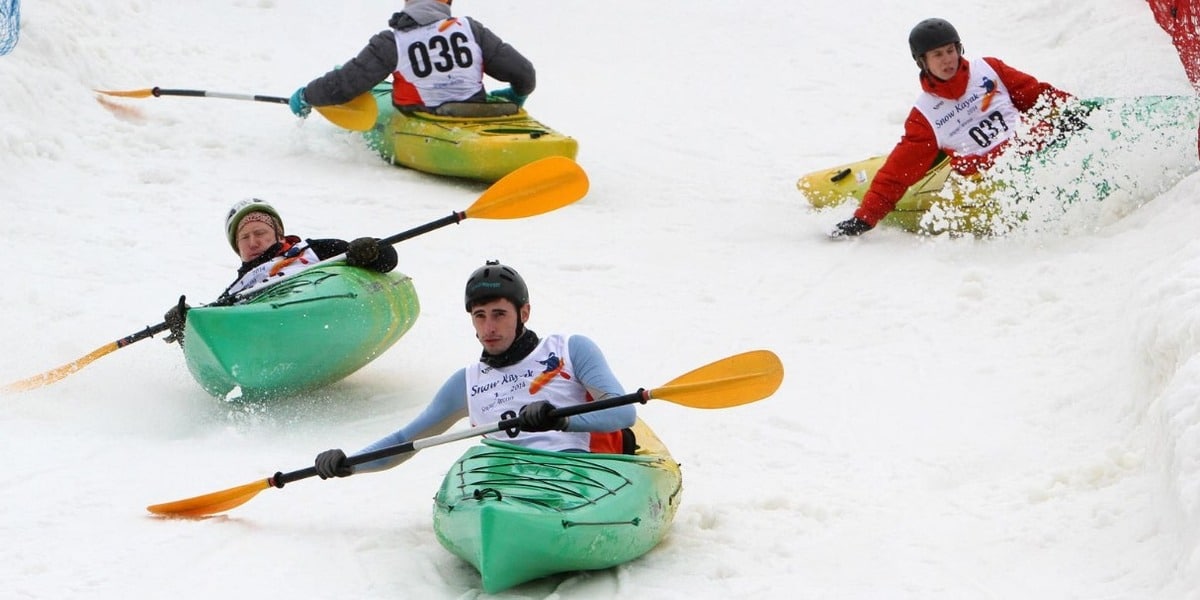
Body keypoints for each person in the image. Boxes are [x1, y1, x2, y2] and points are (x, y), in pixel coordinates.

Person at [312, 260, 637, 479]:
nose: (489, 327)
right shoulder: (465, 383)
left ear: (523, 313)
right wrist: (349, 463)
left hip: (575, 471)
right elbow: (405, 440)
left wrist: (563, 419)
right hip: (506, 478)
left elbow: (623, 414)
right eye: (479, 316)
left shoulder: (569, 348)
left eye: (499, 314)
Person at [831, 18, 1085, 238]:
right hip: (991, 179)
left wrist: (1074, 111)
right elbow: (898, 173)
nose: (948, 60)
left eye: (951, 50)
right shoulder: (925, 116)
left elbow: (1038, 96)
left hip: (1032, 149)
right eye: (937, 55)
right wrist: (864, 218)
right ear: (923, 62)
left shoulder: (990, 70)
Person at [162, 198, 398, 345]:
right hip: (274, 331)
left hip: (325, 308)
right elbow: (217, 337)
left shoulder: (311, 250)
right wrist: (187, 326)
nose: (253, 242)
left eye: (260, 232)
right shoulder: (235, 292)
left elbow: (387, 260)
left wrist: (372, 250)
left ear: (278, 234)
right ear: (237, 247)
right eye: (244, 237)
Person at [287, 0, 536, 118]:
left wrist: (308, 95)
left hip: (426, 118)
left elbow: (344, 86)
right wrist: (518, 94)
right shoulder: (471, 29)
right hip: (477, 112)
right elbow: (525, 73)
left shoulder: (391, 42)